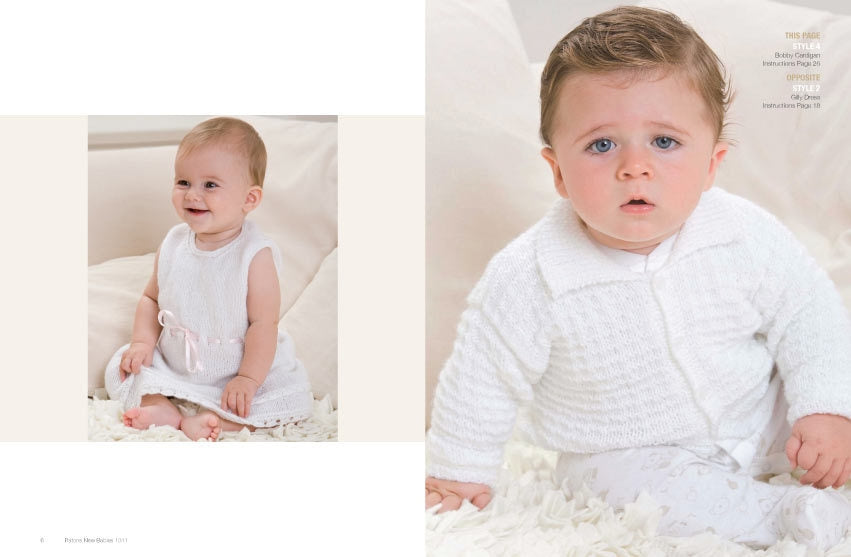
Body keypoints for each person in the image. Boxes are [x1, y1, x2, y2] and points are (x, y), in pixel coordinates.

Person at [425, 7, 851, 549]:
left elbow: (808, 315)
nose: (634, 167)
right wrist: (459, 470)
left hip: (759, 413)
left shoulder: (743, 234)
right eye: (602, 145)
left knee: (829, 396)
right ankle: (786, 515)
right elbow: (480, 378)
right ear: (558, 171)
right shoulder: (530, 274)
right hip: (630, 448)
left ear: (712, 163)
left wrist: (826, 409)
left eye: (665, 142)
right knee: (614, 488)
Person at [104, 117, 313, 441]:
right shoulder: (173, 243)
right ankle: (163, 407)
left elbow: (263, 325)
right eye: (184, 182)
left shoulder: (255, 255)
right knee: (120, 369)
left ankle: (217, 419)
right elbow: (151, 299)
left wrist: (247, 379)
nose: (192, 195)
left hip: (239, 368)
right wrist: (143, 343)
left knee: (287, 398)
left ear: (249, 199)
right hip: (176, 364)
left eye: (210, 185)